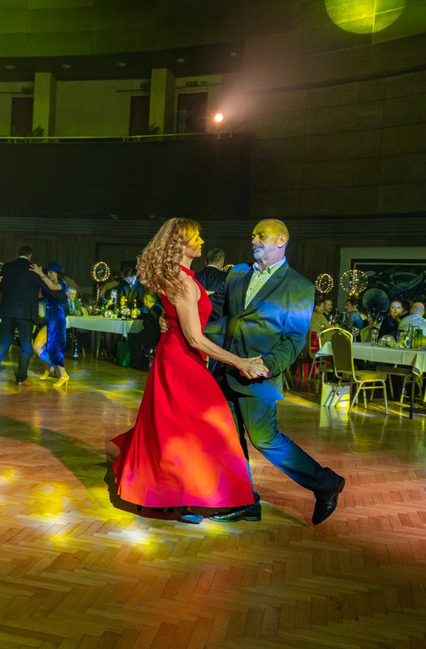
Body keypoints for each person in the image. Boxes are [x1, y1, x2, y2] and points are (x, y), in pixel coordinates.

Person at [111, 219, 266, 524]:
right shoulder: (181, 282)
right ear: (179, 245)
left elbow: (186, 319)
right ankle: (196, 497)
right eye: (196, 238)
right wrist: (243, 362)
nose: (201, 242)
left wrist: (167, 320)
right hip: (180, 360)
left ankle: (187, 496)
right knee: (207, 424)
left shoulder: (184, 278)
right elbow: (195, 337)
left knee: (180, 429)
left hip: (180, 356)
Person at [207, 218, 347, 525]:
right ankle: (244, 501)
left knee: (265, 439)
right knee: (229, 439)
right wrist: (181, 323)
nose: (254, 239)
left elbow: (295, 338)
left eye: (262, 235)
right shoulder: (237, 273)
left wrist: (267, 365)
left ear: (281, 240)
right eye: (253, 234)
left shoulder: (300, 286)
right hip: (223, 370)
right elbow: (217, 315)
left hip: (259, 376)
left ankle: (326, 484)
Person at [0, 245, 62, 385]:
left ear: (17, 254)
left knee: (4, 342)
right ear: (30, 256)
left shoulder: (7, 267)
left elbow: (1, 287)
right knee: (25, 345)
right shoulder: (33, 269)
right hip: (25, 313)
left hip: (7, 311)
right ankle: (22, 378)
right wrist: (60, 296)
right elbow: (45, 288)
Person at [34, 262, 70, 385]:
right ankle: (49, 368)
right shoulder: (46, 285)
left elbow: (53, 288)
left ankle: (64, 374)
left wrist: (41, 274)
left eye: (51, 273)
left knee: (55, 346)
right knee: (37, 346)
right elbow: (40, 294)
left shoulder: (61, 285)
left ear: (57, 274)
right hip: (49, 318)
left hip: (57, 317)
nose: (49, 275)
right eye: (48, 272)